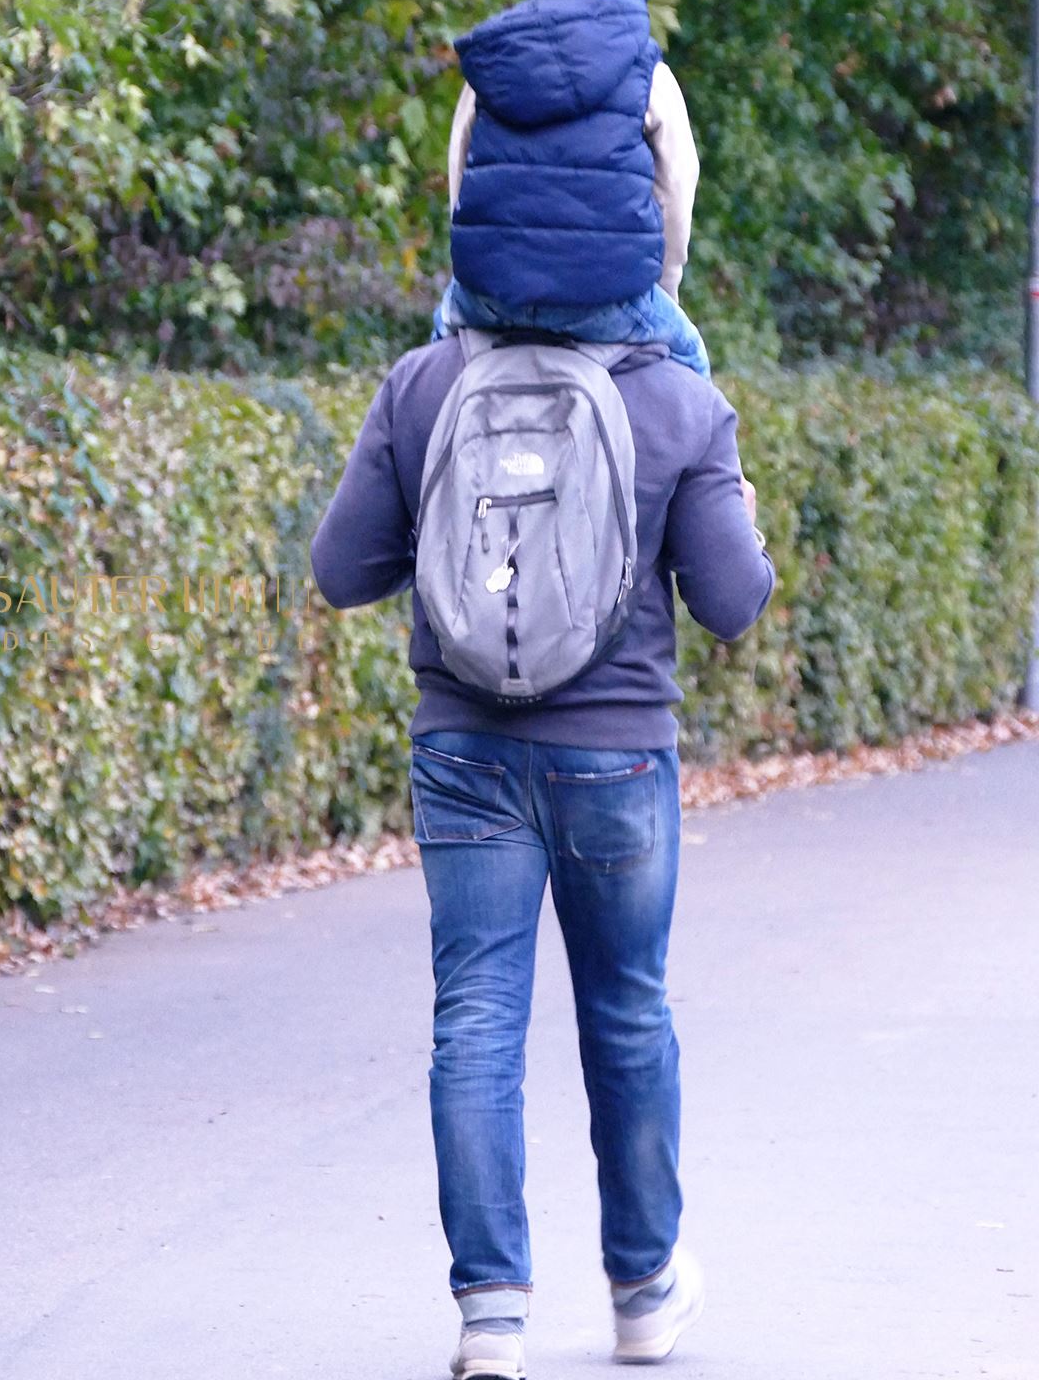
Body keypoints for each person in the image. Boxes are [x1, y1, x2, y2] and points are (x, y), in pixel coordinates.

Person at [309, 245, 775, 1371]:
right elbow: (731, 600)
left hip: (465, 748)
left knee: (475, 1017)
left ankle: (491, 1321)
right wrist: (739, 511)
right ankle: (645, 1288)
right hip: (617, 759)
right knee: (627, 1011)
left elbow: (340, 570)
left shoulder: (425, 383)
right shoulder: (676, 395)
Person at [430, 0, 708, 380]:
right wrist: (659, 293)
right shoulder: (650, 75)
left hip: (492, 300)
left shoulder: (489, 67)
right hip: (608, 304)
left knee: (428, 365)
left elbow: (460, 187)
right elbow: (675, 197)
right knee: (692, 363)